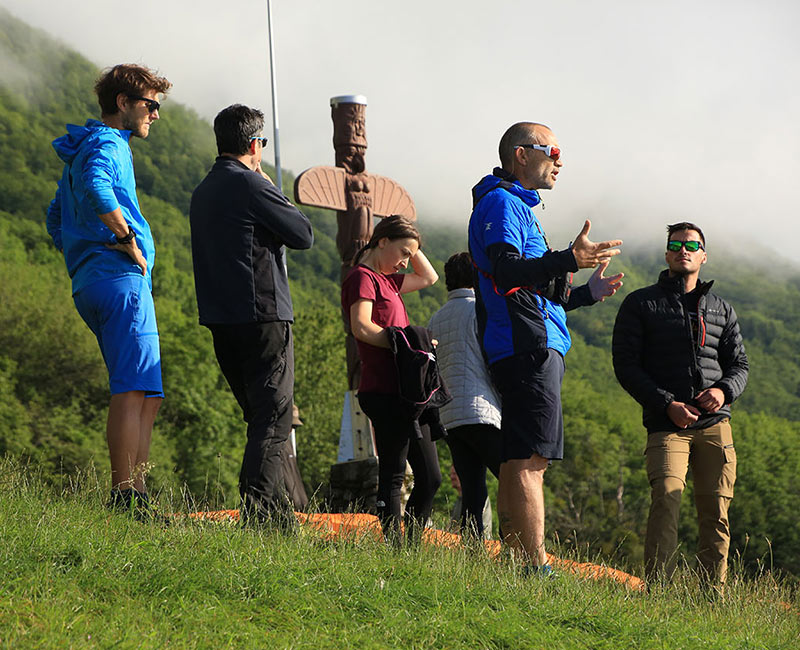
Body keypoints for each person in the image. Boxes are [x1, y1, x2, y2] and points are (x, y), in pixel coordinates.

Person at [467, 122, 624, 572]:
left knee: (521, 452)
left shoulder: (513, 205)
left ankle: (515, 562)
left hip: (529, 341)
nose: (560, 159)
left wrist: (586, 293)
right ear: (521, 154)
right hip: (525, 345)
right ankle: (532, 565)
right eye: (552, 149)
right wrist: (569, 259)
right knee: (531, 457)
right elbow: (508, 271)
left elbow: (535, 290)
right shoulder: (500, 203)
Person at [46, 64, 172, 513]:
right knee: (133, 388)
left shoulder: (84, 147)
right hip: (120, 283)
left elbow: (55, 217)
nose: (155, 114)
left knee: (148, 394)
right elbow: (98, 187)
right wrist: (123, 241)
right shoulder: (107, 143)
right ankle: (126, 496)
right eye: (150, 104)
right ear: (123, 103)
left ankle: (136, 492)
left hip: (95, 284)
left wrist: (80, 259)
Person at [189, 104, 313, 526]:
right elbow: (303, 234)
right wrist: (266, 184)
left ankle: (279, 519)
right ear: (254, 144)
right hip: (263, 314)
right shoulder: (250, 185)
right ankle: (259, 514)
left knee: (260, 417)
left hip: (220, 318)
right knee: (274, 418)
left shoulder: (203, 190)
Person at [612, 223, 748, 587]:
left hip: (715, 425)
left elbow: (740, 366)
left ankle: (711, 598)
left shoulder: (722, 309)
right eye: (676, 244)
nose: (683, 250)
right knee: (666, 503)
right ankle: (659, 593)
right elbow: (625, 365)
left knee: (716, 513)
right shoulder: (640, 303)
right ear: (667, 253)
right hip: (666, 425)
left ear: (703, 255)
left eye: (692, 245)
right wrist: (666, 403)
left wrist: (723, 392)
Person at [341, 215, 441, 540]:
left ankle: (409, 548)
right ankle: (395, 552)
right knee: (393, 475)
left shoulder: (388, 281)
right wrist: (408, 344)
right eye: (402, 253)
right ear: (381, 242)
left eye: (408, 257)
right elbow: (361, 326)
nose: (404, 263)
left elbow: (429, 277)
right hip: (384, 391)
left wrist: (409, 237)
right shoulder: (362, 277)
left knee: (430, 477)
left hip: (409, 390)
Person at [428, 252, 501, 539]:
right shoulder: (480, 311)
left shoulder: (435, 319)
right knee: (512, 478)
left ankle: (473, 554)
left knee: (472, 488)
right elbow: (492, 358)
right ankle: (518, 550)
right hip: (480, 408)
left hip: (449, 416)